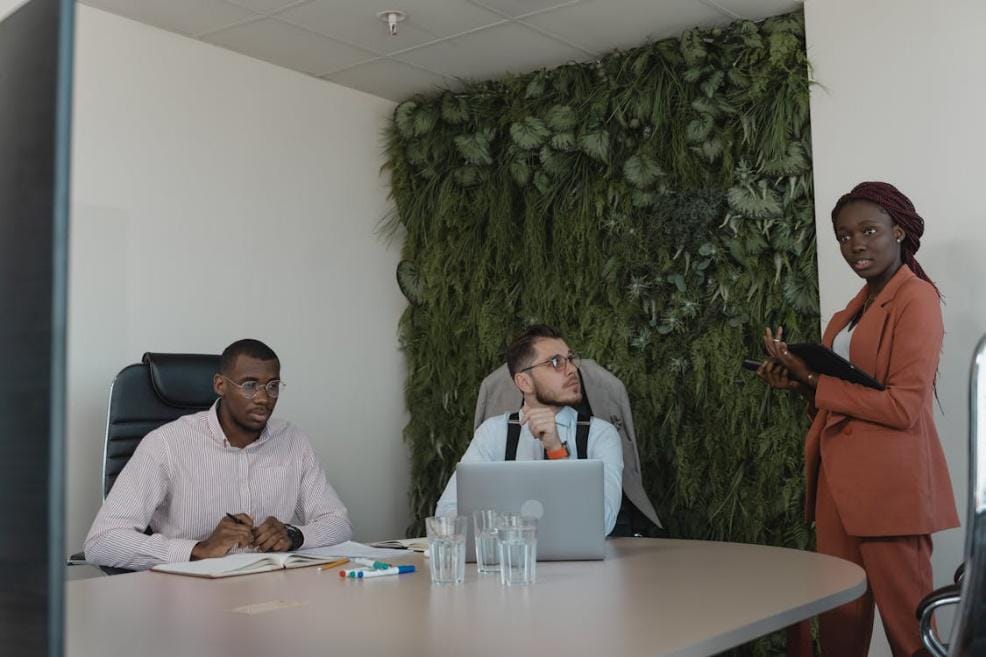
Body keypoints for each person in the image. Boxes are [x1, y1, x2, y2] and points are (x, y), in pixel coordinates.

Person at [755, 182, 959, 657]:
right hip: (837, 492)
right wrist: (801, 384)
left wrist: (816, 380)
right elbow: (845, 397)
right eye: (844, 236)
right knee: (841, 637)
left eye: (869, 231)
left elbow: (905, 405)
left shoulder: (917, 298)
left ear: (900, 232)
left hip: (891, 492)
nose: (856, 245)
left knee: (911, 636)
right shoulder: (852, 310)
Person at [84, 339, 352, 570]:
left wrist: (295, 535)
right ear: (220, 385)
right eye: (250, 385)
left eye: (272, 386)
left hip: (274, 590)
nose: (263, 398)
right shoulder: (166, 444)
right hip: (193, 599)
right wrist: (198, 549)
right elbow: (102, 541)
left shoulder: (293, 440)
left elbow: (338, 524)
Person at [435, 325, 623, 535]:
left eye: (569, 359)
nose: (571, 369)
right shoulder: (493, 433)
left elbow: (602, 524)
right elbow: (447, 514)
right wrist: (512, 533)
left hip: (581, 566)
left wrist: (556, 450)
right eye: (555, 362)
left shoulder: (601, 435)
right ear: (524, 381)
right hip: (510, 562)